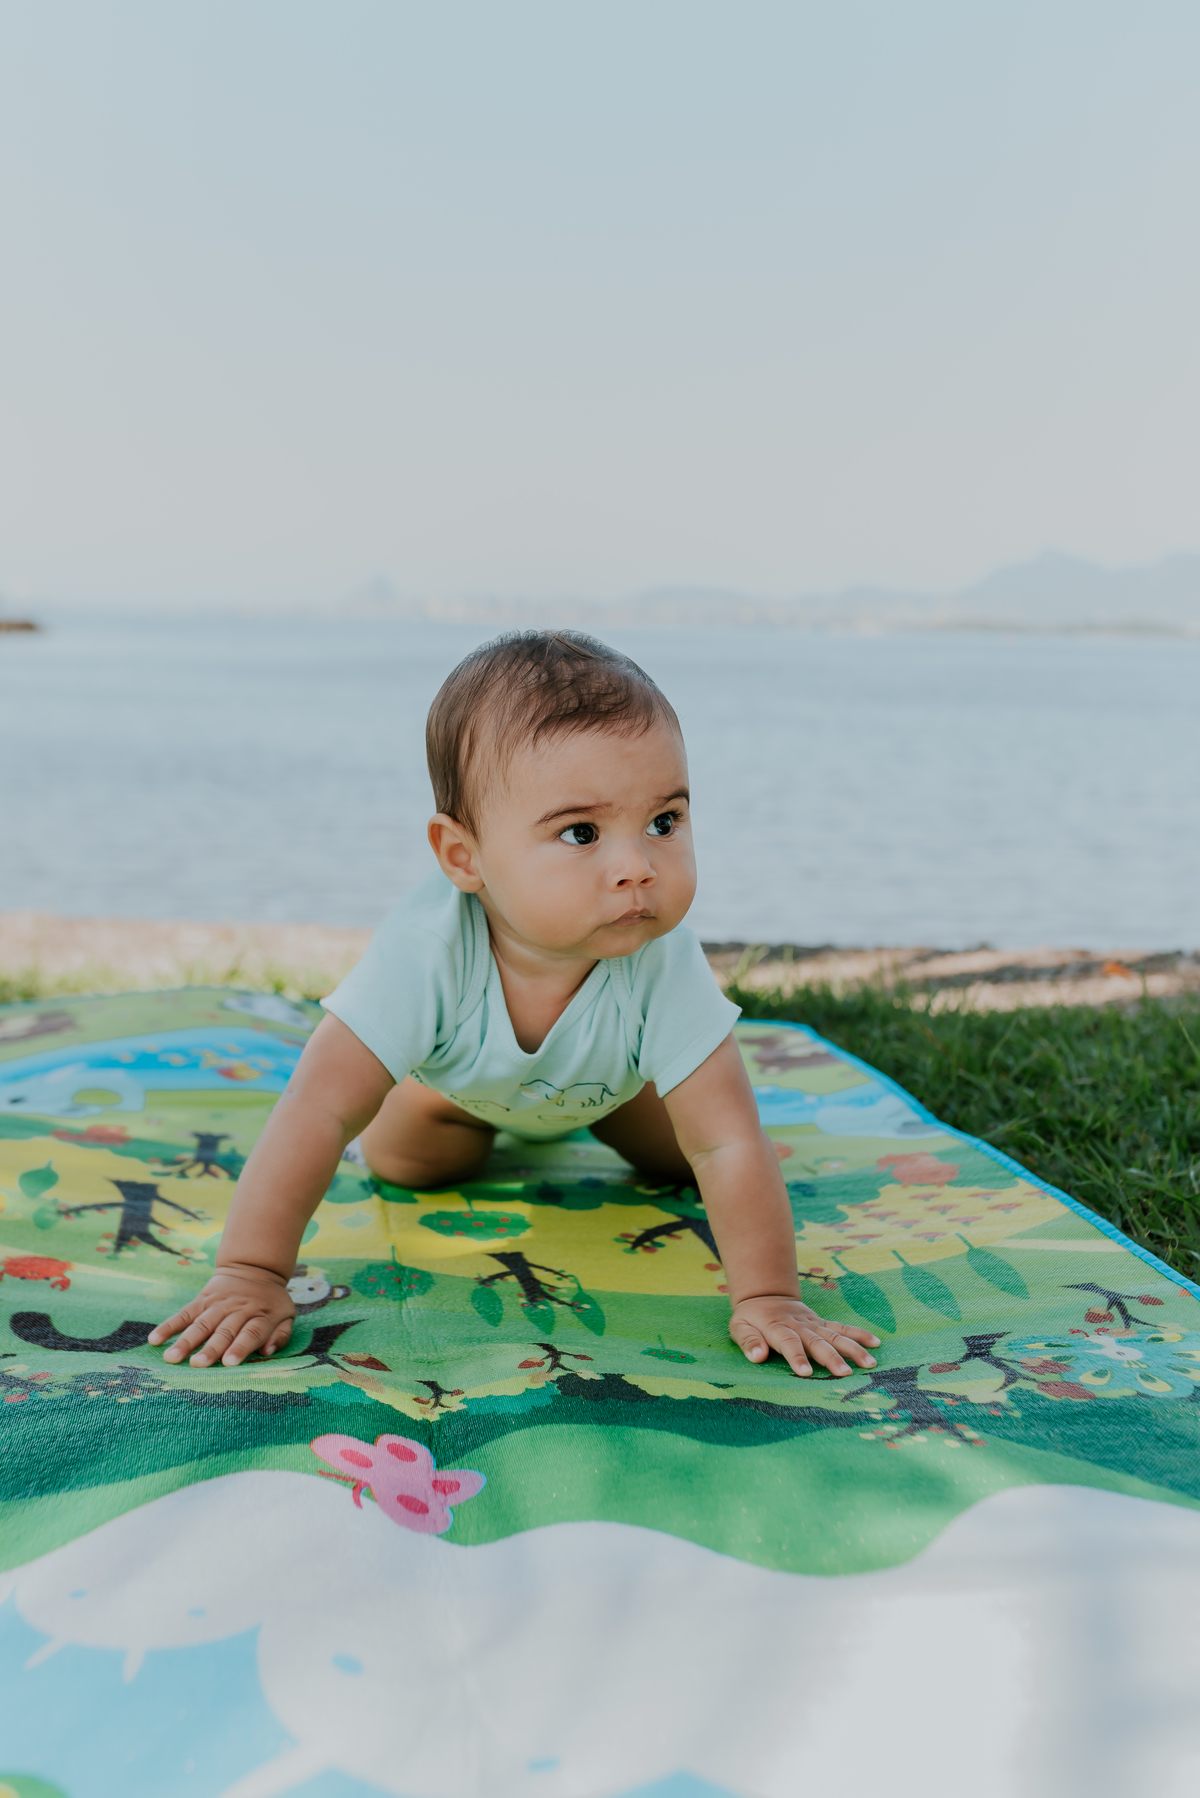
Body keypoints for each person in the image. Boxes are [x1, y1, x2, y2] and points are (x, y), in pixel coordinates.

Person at [149, 631, 879, 1380]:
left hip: (613, 1090)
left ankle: (604, 1112)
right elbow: (317, 1110)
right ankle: (434, 1113)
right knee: (411, 1165)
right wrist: (250, 1272)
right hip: (450, 1098)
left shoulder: (662, 959)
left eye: (664, 822)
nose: (636, 868)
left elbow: (727, 1143)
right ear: (464, 857)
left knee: (692, 1157)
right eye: (581, 833)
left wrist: (769, 1295)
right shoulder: (426, 952)